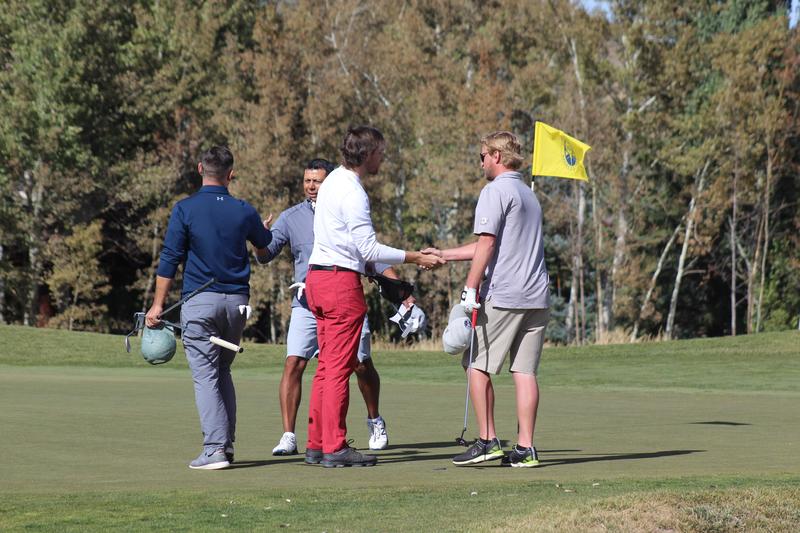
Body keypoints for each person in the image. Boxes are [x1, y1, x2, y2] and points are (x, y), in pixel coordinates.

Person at [304, 125, 445, 468]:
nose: (383, 158)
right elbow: (367, 248)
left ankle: (317, 444)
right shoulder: (353, 191)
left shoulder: (332, 181)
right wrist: (415, 256)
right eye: (380, 153)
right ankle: (335, 447)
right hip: (339, 284)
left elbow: (352, 245)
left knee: (326, 367)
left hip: (317, 279)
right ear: (367, 154)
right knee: (339, 368)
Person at [261, 158, 415, 456]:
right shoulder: (291, 217)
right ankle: (291, 435)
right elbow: (265, 254)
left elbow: (370, 253)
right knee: (295, 363)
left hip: (342, 294)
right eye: (307, 181)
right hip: (308, 301)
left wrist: (401, 292)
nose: (311, 186)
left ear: (329, 181)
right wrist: (257, 236)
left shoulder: (343, 206)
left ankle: (373, 420)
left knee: (359, 363)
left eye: (317, 181)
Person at [424, 131, 550, 467]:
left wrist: (470, 286)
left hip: (506, 294)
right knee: (524, 371)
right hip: (537, 296)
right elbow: (491, 245)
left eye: (482, 156)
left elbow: (487, 244)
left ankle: (487, 441)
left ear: (496, 155)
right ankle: (525, 450)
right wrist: (445, 255)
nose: (480, 163)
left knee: (474, 364)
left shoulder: (494, 191)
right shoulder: (528, 194)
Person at [145, 146, 272, 470]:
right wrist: (262, 229)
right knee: (222, 370)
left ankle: (215, 449)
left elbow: (170, 259)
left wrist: (158, 305)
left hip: (201, 303)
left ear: (200, 168)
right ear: (231, 174)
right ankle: (225, 446)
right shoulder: (244, 210)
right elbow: (265, 247)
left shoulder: (185, 209)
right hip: (237, 306)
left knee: (205, 375)